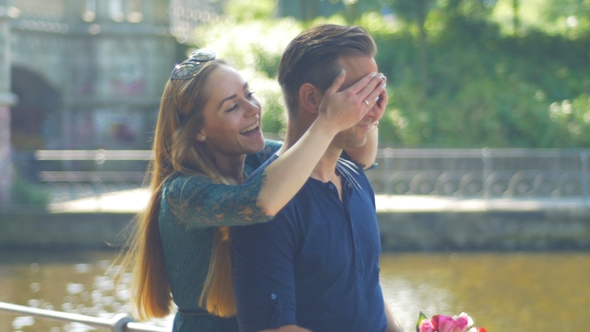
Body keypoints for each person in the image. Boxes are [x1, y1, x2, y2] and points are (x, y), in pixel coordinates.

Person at [117, 47, 386, 332]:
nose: (253, 109)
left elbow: (358, 159)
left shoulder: (257, 157)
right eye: (232, 107)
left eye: (249, 94)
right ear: (199, 130)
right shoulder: (182, 192)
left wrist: (366, 106)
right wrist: (329, 120)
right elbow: (260, 203)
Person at [231, 24, 405, 332]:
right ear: (312, 99)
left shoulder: (355, 180)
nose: (375, 108)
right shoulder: (267, 205)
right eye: (360, 93)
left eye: (377, 90)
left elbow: (368, 290)